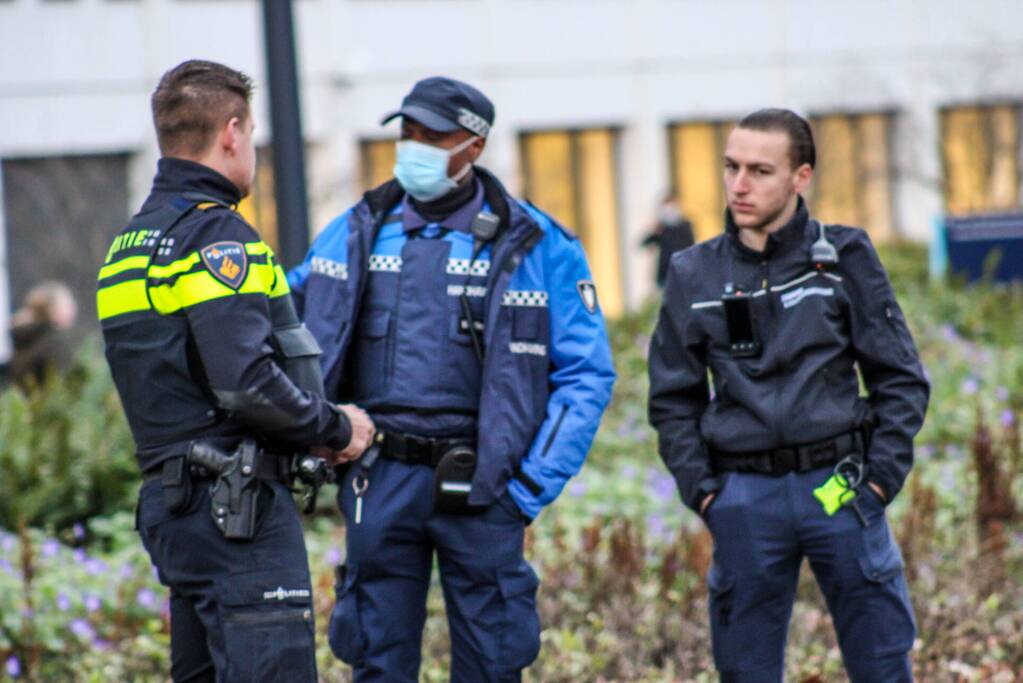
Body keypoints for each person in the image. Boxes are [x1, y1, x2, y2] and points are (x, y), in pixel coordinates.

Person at [288, 76, 616, 682]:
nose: (414, 147)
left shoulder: (539, 244)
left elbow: (587, 375)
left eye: (433, 136)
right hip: (377, 478)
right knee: (376, 662)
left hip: (486, 485)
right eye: (407, 132)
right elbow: (282, 312)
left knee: (493, 665)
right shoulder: (356, 228)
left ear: (474, 146)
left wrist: (527, 487)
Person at [96, 60, 374, 683]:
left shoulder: (128, 245)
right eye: (250, 135)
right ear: (230, 133)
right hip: (237, 513)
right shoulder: (220, 236)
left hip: (174, 511)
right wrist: (335, 428)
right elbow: (246, 381)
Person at [647, 109, 929, 682]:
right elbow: (673, 398)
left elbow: (900, 377)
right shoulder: (692, 273)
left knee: (882, 665)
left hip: (839, 489)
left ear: (801, 177)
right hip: (744, 500)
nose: (739, 185)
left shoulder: (845, 258)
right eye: (730, 168)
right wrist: (705, 494)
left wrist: (876, 482)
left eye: (760, 170)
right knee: (745, 670)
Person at [9, 280, 78, 389]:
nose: (73, 309)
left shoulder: (25, 338)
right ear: (52, 310)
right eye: (67, 304)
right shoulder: (55, 344)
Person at [641, 192, 695, 287]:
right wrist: (654, 231)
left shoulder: (685, 225)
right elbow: (644, 244)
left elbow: (691, 246)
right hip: (665, 274)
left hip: (683, 271)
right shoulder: (661, 228)